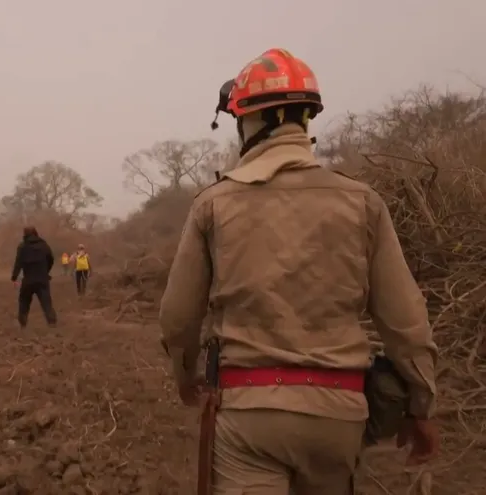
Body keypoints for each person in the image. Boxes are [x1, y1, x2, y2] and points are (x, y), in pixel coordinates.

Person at [159, 48, 439, 495]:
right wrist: (421, 406)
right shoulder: (363, 202)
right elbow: (406, 323)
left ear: (247, 122)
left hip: (248, 413)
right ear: (304, 121)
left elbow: (177, 317)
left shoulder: (213, 205)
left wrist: (186, 376)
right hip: (339, 413)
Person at [10, 226, 57, 329]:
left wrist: (14, 277)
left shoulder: (22, 247)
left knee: (24, 301)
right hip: (42, 279)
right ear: (35, 233)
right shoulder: (43, 245)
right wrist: (45, 271)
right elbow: (51, 259)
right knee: (46, 302)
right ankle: (52, 322)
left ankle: (22, 323)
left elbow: (18, 263)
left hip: (28, 279)